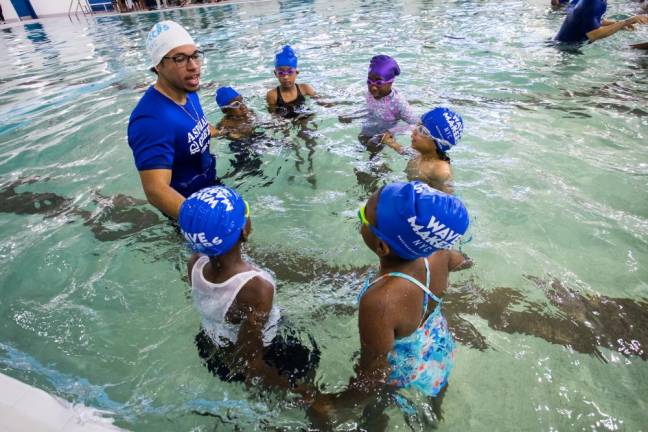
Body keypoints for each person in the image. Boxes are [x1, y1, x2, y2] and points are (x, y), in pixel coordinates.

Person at [308, 181, 471, 427]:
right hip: (438, 352)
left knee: (373, 418)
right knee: (429, 418)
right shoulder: (440, 252)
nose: (361, 219)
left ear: (382, 246)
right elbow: (464, 262)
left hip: (404, 375)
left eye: (363, 216)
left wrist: (339, 406)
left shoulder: (381, 301)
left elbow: (373, 374)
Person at [180, 185, 319, 388]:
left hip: (211, 346)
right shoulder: (257, 288)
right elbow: (251, 359)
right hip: (263, 355)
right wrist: (297, 391)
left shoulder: (195, 263)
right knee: (309, 362)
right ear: (244, 231)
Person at [127, 21, 221, 219]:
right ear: (158, 65)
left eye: (195, 55)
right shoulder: (151, 119)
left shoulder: (187, 91)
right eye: (180, 59)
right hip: (186, 208)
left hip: (209, 186)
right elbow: (155, 189)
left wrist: (229, 131)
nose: (193, 66)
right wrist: (201, 222)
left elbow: (194, 129)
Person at [382, 107, 464, 194]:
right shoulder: (421, 154)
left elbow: (446, 201)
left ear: (437, 143)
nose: (414, 131)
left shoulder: (440, 170)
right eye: (418, 125)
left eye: (422, 130)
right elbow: (406, 152)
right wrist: (391, 143)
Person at [356, 55, 418, 151]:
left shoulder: (398, 102)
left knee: (373, 152)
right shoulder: (369, 93)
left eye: (379, 83)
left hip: (383, 135)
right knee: (361, 142)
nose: (373, 87)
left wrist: (391, 131)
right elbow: (368, 109)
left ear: (391, 82)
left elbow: (417, 124)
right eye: (369, 81)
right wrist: (353, 116)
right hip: (369, 127)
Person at [555, 0, 648, 44]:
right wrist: (625, 22)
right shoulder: (593, 2)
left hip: (564, 42)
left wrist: (618, 24)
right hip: (567, 48)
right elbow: (593, 35)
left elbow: (593, 21)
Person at [266, 45, 317, 119]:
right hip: (284, 120)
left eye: (290, 72)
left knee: (305, 120)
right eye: (281, 73)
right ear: (275, 74)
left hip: (303, 116)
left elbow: (320, 100)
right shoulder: (272, 95)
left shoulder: (305, 88)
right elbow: (273, 115)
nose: (286, 77)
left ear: (296, 72)